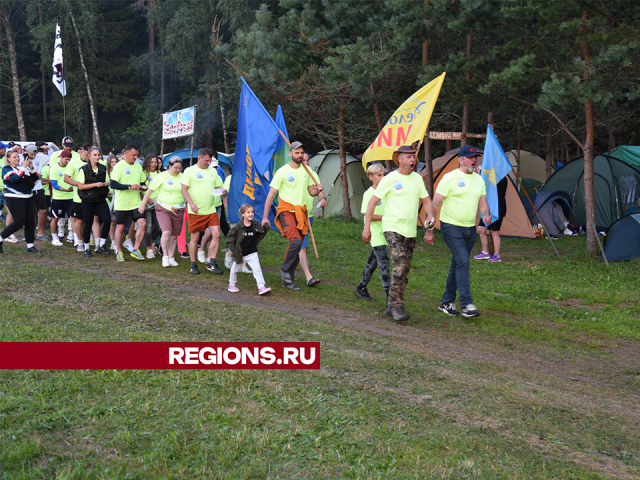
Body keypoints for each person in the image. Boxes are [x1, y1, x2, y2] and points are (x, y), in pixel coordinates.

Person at [362, 145, 434, 322]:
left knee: (405, 271)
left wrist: (430, 225)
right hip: (392, 228)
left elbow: (426, 200)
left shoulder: (417, 179)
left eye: (413, 157)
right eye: (408, 157)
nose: (412, 159)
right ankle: (396, 306)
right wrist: (366, 227)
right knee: (400, 263)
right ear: (399, 159)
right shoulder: (389, 179)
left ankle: (391, 304)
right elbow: (372, 203)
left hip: (410, 231)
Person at [429, 145, 491, 318]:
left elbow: (483, 203)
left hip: (469, 228)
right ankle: (467, 304)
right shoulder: (450, 178)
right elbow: (435, 203)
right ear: (461, 159)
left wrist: (486, 214)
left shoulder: (479, 180)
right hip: (450, 226)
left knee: (458, 263)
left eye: (476, 158)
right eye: (471, 157)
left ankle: (446, 302)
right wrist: (430, 226)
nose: (474, 160)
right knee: (463, 261)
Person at [181, 148, 225, 275]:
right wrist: (191, 204)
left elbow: (218, 187)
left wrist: (223, 191)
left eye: (209, 161)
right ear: (199, 158)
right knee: (195, 238)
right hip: (196, 211)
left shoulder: (213, 171)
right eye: (206, 160)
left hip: (211, 210)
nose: (208, 163)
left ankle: (212, 262)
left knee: (216, 234)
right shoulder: (189, 171)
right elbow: (184, 189)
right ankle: (193, 265)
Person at [139, 155, 184, 267]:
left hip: (178, 209)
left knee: (174, 235)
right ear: (170, 166)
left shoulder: (184, 177)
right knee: (166, 232)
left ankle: (171, 257)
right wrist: (142, 204)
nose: (178, 170)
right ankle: (165, 256)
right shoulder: (162, 176)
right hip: (163, 207)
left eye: (180, 168)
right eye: (175, 168)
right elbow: (150, 191)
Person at [355, 163, 390, 303]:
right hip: (375, 233)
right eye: (379, 175)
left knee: (373, 261)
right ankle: (390, 298)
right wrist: (384, 217)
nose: (383, 177)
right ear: (371, 177)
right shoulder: (369, 194)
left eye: (384, 174)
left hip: (387, 232)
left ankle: (361, 287)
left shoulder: (387, 192)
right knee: (384, 264)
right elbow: (367, 215)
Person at [109, 144, 148, 262]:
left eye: (136, 155)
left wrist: (143, 187)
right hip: (122, 203)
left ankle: (135, 249)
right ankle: (119, 251)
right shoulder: (119, 166)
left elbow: (142, 182)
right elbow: (113, 184)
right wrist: (130, 187)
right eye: (134, 155)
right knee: (120, 228)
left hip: (136, 203)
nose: (136, 157)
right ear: (126, 154)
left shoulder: (138, 167)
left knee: (143, 224)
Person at [226, 204, 272, 295]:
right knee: (234, 269)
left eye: (252, 212)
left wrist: (266, 227)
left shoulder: (255, 224)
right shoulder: (237, 227)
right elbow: (229, 238)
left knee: (257, 270)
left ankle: (261, 287)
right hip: (240, 254)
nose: (251, 214)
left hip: (252, 253)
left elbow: (261, 231)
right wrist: (234, 250)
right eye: (248, 212)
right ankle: (231, 285)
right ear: (242, 214)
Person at [0, 150, 39, 253]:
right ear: (8, 159)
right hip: (14, 197)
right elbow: (15, 179)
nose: (17, 158)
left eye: (18, 156)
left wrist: (31, 168)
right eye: (14, 157)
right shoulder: (6, 169)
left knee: (31, 221)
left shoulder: (22, 168)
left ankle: (30, 246)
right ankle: (0, 237)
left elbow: (35, 178)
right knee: (19, 221)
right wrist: (24, 167)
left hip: (29, 196)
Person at [298, 152, 327, 287]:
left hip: (308, 215)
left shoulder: (312, 174)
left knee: (299, 247)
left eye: (307, 160)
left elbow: (319, 190)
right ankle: (308, 276)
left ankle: (287, 269)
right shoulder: (295, 174)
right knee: (302, 247)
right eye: (303, 160)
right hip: (297, 215)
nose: (306, 163)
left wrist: (323, 198)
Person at [77, 146, 111, 257]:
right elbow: (80, 186)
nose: (97, 157)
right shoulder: (83, 169)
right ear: (89, 156)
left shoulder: (102, 168)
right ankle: (86, 247)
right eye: (95, 155)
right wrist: (96, 184)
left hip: (100, 198)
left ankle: (101, 245)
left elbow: (107, 182)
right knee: (88, 223)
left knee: (107, 220)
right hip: (87, 199)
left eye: (99, 155)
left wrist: (107, 184)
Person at [63, 141, 91, 251]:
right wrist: (80, 185)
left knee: (93, 220)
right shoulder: (73, 163)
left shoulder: (97, 163)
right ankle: (79, 242)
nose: (88, 157)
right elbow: (66, 178)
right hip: (79, 197)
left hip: (94, 198)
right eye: (86, 154)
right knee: (79, 220)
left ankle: (93, 240)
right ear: (81, 152)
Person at [474, 174, 507, 263]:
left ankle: (497, 255)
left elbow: (492, 188)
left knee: (494, 232)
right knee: (481, 229)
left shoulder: (502, 179)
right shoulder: (489, 178)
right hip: (488, 210)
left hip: (497, 209)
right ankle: (485, 252)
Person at [49, 149, 75, 246]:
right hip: (58, 198)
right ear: (61, 157)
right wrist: (66, 189)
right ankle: (55, 238)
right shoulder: (54, 168)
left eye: (69, 160)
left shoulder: (71, 168)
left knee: (72, 217)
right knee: (55, 218)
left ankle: (72, 236)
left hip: (71, 197)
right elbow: (54, 185)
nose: (67, 161)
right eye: (66, 159)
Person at [141, 154, 162, 259]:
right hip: (148, 203)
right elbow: (140, 188)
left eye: (155, 162)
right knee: (148, 226)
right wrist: (146, 198)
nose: (154, 164)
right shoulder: (144, 173)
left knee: (159, 227)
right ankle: (148, 249)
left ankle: (152, 241)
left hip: (158, 203)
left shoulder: (159, 173)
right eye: (152, 162)